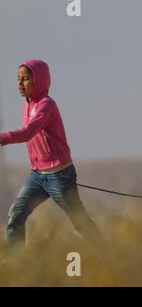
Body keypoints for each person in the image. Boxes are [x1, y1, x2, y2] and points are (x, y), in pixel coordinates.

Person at [0, 59, 102, 248]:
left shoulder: (46, 105)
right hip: (37, 175)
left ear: (38, 80)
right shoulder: (27, 106)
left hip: (59, 175)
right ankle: (16, 261)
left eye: (26, 79)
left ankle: (105, 252)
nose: (20, 84)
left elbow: (28, 132)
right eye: (18, 79)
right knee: (16, 213)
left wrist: (2, 138)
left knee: (78, 219)